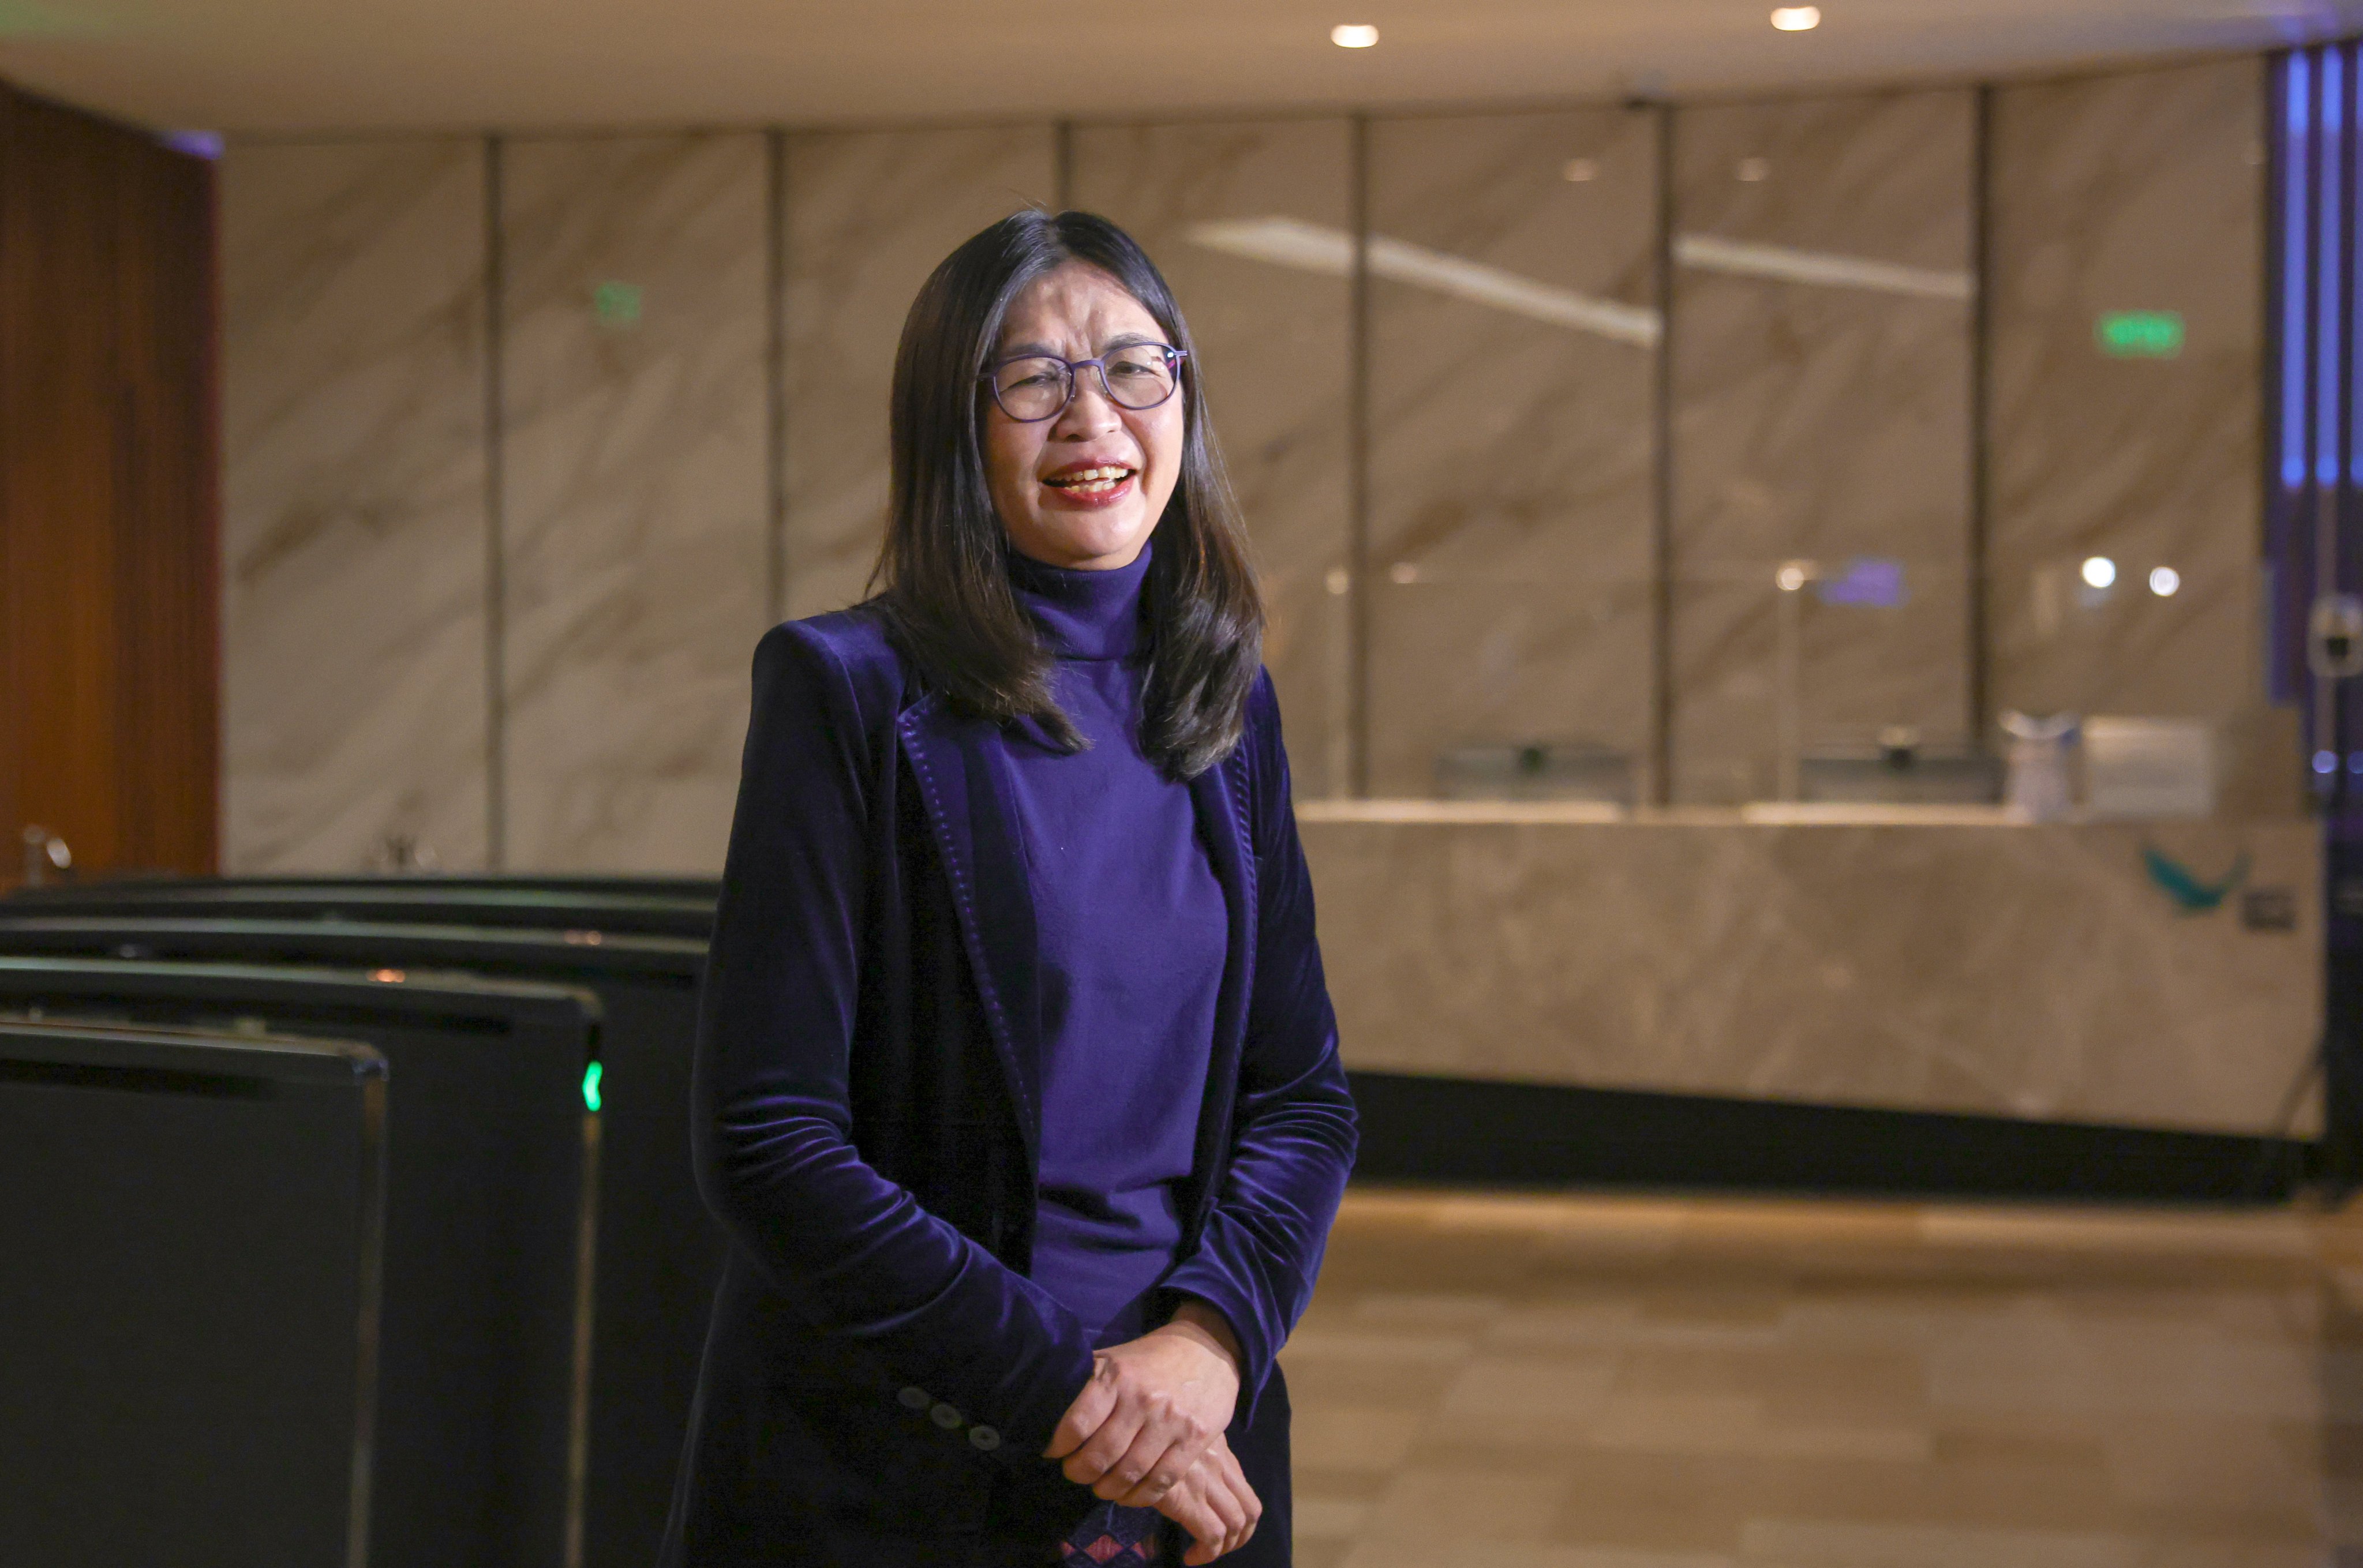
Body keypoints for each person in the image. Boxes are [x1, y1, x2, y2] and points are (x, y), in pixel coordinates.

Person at [661, 208, 1359, 1568]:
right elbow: (769, 1138)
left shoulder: (1224, 701)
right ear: (953, 429)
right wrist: (1076, 1393)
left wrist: (1211, 1341)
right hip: (903, 1457)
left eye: (1130, 367)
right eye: (1031, 378)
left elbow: (1301, 1097)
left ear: (1181, 398)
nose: (1089, 417)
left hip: (1186, 1448)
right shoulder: (845, 693)